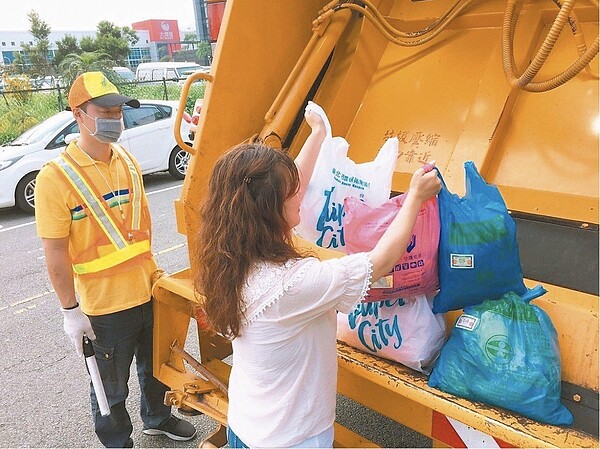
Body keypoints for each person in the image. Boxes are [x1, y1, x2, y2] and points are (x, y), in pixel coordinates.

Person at [194, 105, 441, 448]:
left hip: (246, 426)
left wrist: (318, 135)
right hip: (291, 440)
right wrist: (415, 197)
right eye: (291, 193)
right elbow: (381, 261)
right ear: (269, 209)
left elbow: (285, 186)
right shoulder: (293, 284)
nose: (302, 194)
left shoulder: (230, 257)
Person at [34, 71, 196, 448]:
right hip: (104, 307)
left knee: (156, 367)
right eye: (103, 110)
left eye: (118, 109)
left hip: (147, 290)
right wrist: (69, 311)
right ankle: (117, 441)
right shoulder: (55, 178)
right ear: (78, 114)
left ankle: (157, 418)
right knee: (110, 384)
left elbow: (139, 231)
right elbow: (54, 251)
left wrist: (157, 278)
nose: (113, 117)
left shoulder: (125, 159)